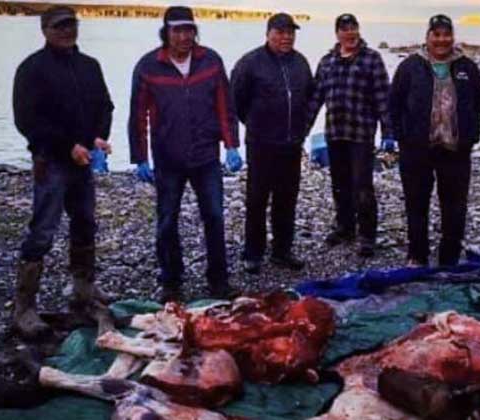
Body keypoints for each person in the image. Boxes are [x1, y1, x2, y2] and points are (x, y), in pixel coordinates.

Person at [12, 6, 114, 339]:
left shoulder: (90, 66)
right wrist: (67, 146)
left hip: (84, 162)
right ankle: (24, 308)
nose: (66, 31)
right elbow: (28, 120)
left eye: (71, 25)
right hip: (51, 162)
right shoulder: (31, 69)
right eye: (59, 26)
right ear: (44, 30)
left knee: (85, 223)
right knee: (42, 230)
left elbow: (105, 106)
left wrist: (98, 137)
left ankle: (82, 290)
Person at [128, 6, 242, 300]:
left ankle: (218, 280)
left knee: (215, 216)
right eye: (177, 30)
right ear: (166, 33)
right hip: (168, 158)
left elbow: (224, 106)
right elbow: (138, 114)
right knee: (167, 219)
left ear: (195, 31)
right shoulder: (148, 66)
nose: (183, 36)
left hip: (206, 156)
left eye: (189, 29)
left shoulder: (210, 61)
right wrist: (140, 157)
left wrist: (231, 146)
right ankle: (171, 281)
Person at [389, 14, 480, 267]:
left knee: (455, 209)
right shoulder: (410, 66)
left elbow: (479, 104)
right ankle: (417, 256)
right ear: (428, 37)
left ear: (453, 36)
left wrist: (472, 136)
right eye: (437, 34)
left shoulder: (467, 67)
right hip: (417, 150)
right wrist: (402, 138)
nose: (442, 40)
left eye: (447, 34)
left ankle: (449, 259)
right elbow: (394, 104)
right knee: (416, 205)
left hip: (455, 151)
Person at [231, 13, 313, 274]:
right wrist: (255, 124)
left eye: (290, 32)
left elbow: (310, 99)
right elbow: (236, 102)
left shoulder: (300, 62)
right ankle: (253, 252)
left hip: (291, 144)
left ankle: (282, 251)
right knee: (257, 198)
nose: (286, 37)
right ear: (268, 33)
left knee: (287, 198)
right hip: (261, 143)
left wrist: (301, 129)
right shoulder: (250, 63)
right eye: (281, 32)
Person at [307, 13, 394, 257]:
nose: (350, 33)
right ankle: (345, 227)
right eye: (344, 29)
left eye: (353, 27)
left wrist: (389, 131)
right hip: (335, 133)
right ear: (337, 33)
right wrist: (301, 130)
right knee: (339, 185)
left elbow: (383, 99)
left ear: (359, 30)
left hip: (361, 135)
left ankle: (367, 236)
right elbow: (316, 99)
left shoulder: (372, 59)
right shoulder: (327, 62)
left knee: (363, 187)